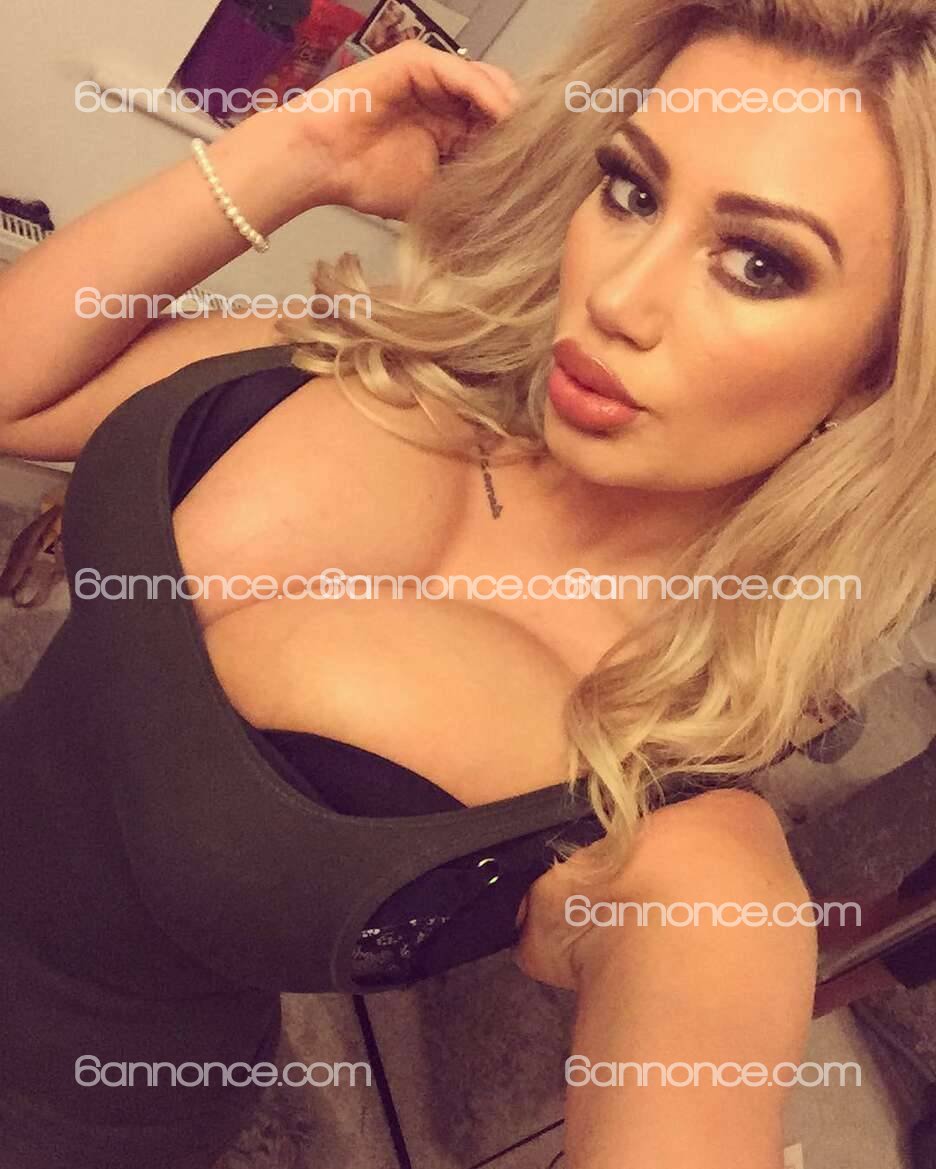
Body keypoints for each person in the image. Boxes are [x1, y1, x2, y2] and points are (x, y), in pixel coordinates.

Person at [1, 0, 933, 1159]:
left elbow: (696, 1015)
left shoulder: (669, 811)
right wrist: (300, 151)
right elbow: (15, 392)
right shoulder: (383, 362)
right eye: (633, 190)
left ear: (878, 370)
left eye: (759, 263)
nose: (619, 298)